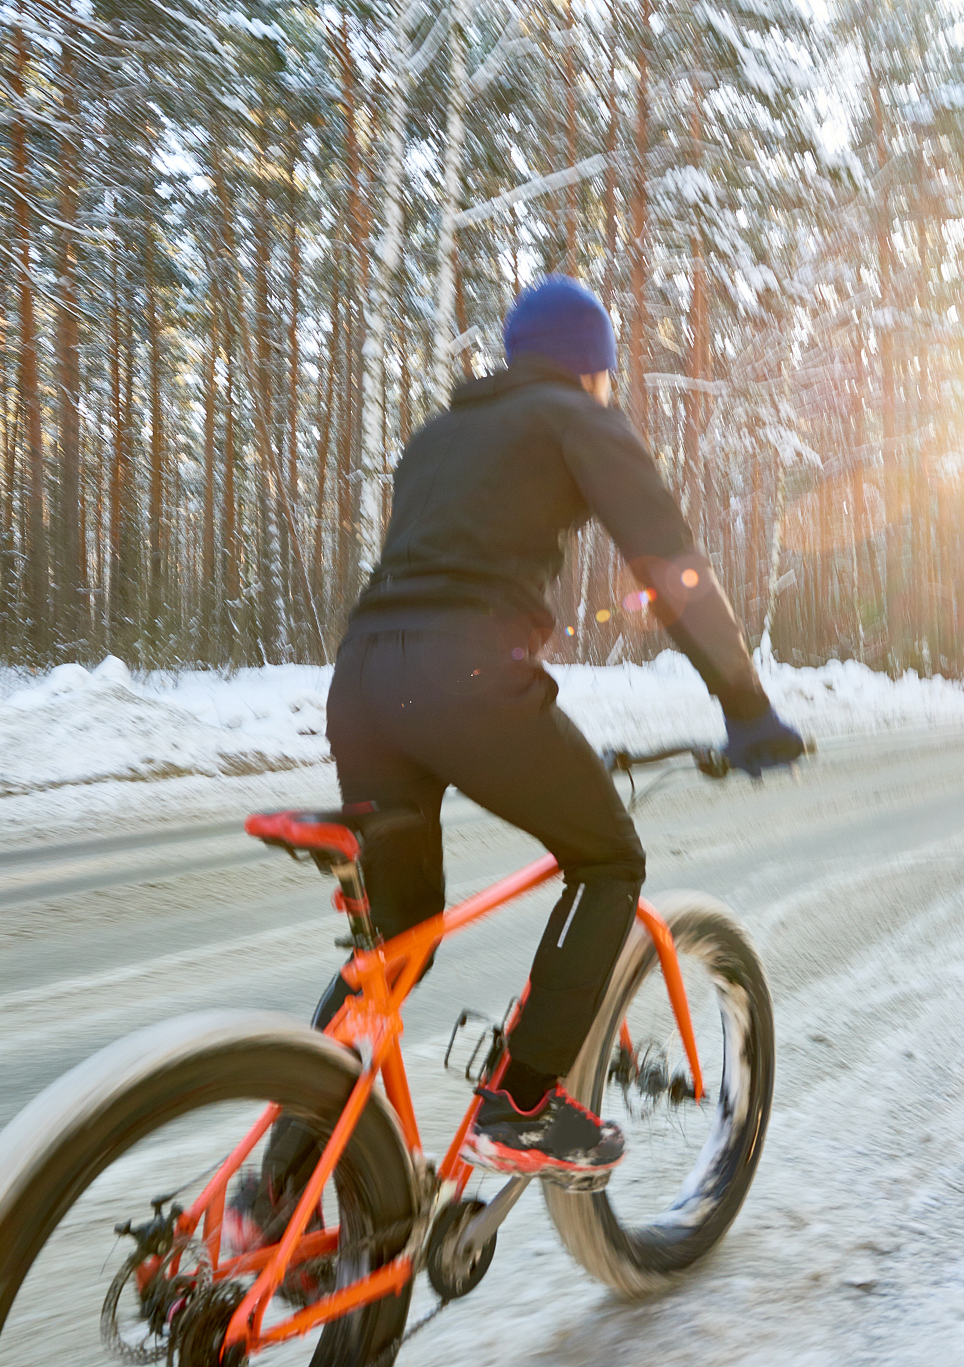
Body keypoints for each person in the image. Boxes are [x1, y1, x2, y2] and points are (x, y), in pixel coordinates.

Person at [248, 274, 804, 1223]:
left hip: (363, 683)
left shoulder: (438, 435)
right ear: (594, 369)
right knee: (607, 856)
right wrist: (747, 706)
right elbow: (666, 560)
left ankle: (274, 1189)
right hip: (466, 680)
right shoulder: (577, 416)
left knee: (399, 942)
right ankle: (524, 1101)